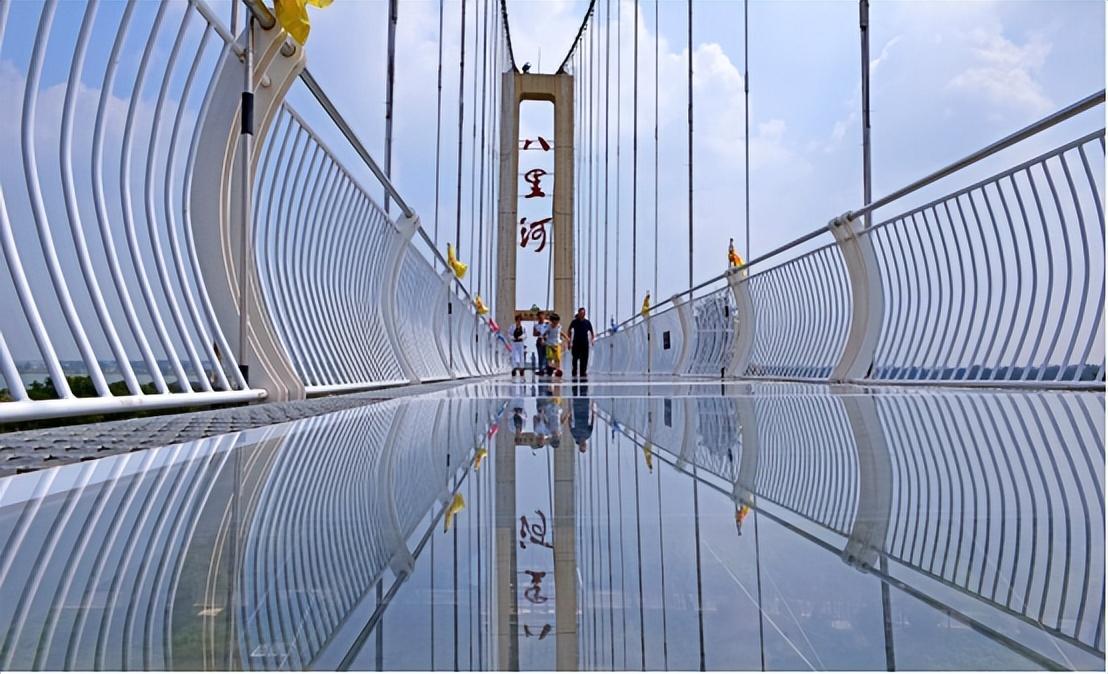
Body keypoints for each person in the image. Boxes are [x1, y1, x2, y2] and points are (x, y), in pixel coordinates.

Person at [568, 307, 595, 378]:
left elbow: (591, 331)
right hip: (576, 343)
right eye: (581, 313)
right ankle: (574, 371)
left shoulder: (587, 322)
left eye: (583, 313)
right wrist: (569, 341)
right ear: (579, 313)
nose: (582, 314)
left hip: (584, 343)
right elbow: (569, 330)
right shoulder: (574, 322)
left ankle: (583, 372)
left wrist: (592, 340)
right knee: (575, 358)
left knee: (584, 358)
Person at [532, 311, 550, 376]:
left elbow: (550, 331)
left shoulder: (547, 323)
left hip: (546, 340)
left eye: (542, 316)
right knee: (540, 356)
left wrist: (546, 336)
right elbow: (534, 334)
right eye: (539, 317)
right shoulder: (536, 325)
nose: (541, 318)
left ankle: (547, 369)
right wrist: (537, 333)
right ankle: (541, 370)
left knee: (547, 356)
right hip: (539, 341)